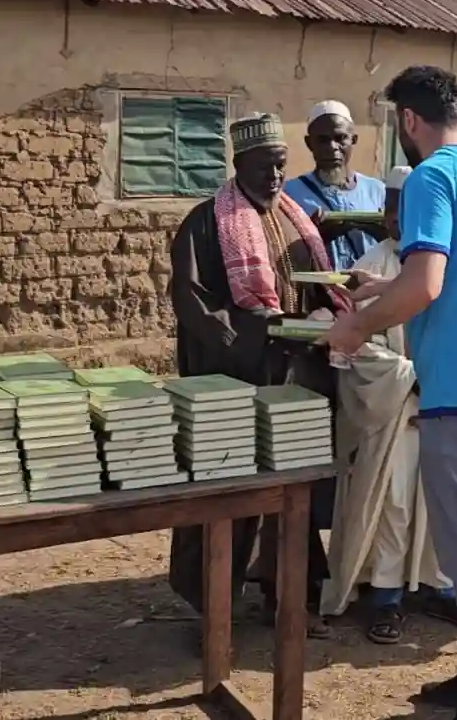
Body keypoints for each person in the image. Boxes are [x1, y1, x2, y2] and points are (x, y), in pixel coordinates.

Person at [322, 66, 457, 720]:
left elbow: (428, 287)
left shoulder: (431, 179)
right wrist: (381, 289)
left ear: (408, 121)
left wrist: (353, 326)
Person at [166, 112, 350, 639]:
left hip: (297, 380)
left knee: (292, 495)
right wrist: (259, 334)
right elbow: (194, 302)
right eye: (266, 166)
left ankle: (288, 599)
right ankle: (215, 608)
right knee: (229, 492)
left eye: (281, 166)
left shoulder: (297, 219)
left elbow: (317, 287)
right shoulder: (206, 222)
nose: (275, 177)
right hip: (238, 383)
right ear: (239, 162)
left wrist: (324, 314)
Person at [318, 166, 457, 644]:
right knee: (395, 501)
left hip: (443, 407)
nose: (399, 220)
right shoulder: (370, 265)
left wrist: (438, 383)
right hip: (394, 411)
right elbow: (358, 347)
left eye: (409, 210)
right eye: (392, 210)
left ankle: (437, 587)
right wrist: (413, 380)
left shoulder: (447, 264)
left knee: (441, 502)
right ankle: (385, 596)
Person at [284, 99, 387, 270]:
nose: (332, 147)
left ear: (353, 140)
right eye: (323, 140)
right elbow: (282, 254)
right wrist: (317, 238)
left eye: (340, 138)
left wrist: (381, 233)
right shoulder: (289, 194)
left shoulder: (378, 192)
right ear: (309, 144)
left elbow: (396, 247)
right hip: (318, 295)